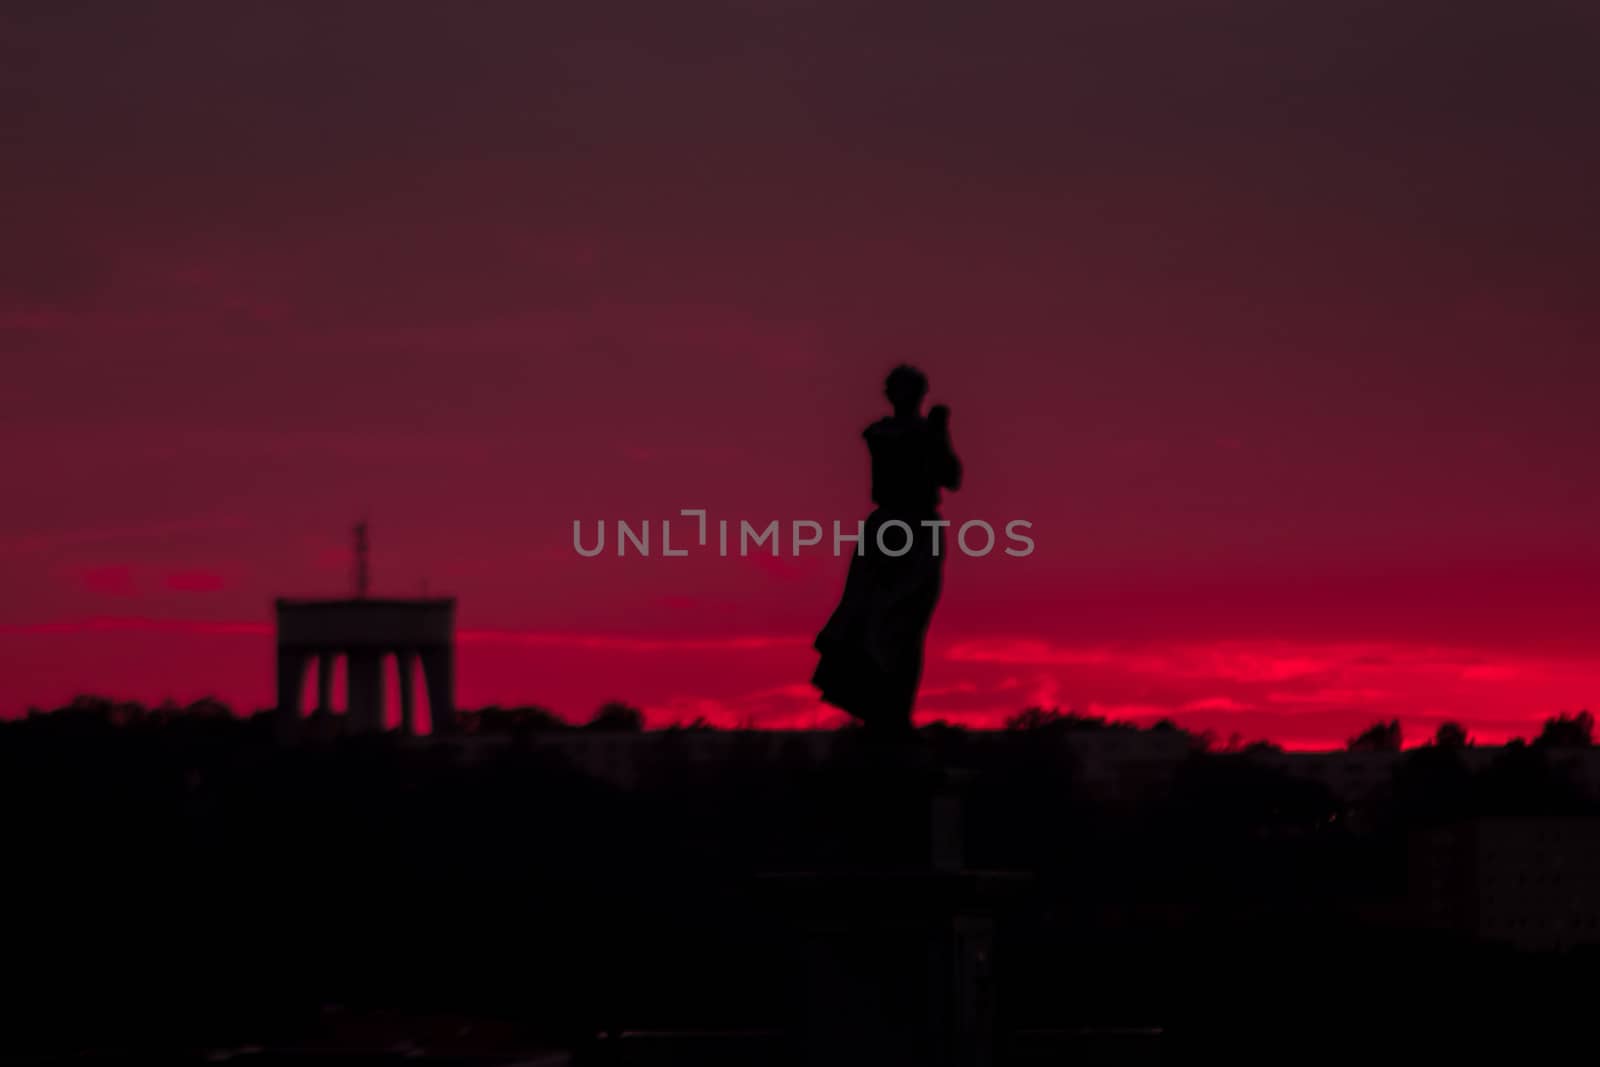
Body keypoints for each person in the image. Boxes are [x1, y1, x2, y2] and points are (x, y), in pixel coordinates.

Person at [812, 365, 961, 735]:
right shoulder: (887, 434)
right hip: (893, 530)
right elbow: (945, 472)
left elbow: (951, 478)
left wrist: (939, 434)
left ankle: (893, 710)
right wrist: (937, 434)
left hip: (917, 528)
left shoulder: (922, 433)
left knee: (906, 626)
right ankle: (882, 708)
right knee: (874, 618)